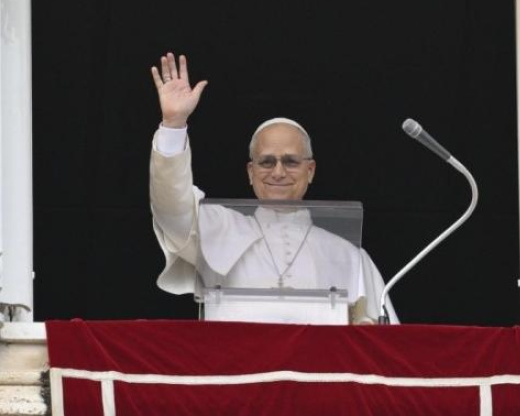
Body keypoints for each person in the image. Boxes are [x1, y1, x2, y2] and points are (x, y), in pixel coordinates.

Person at [148, 52, 397, 324]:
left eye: (290, 161)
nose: (278, 172)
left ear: (310, 171)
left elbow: (380, 343)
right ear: (250, 173)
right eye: (267, 162)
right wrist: (174, 125)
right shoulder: (218, 229)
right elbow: (172, 210)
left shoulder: (348, 255)